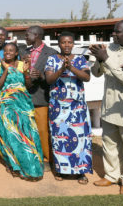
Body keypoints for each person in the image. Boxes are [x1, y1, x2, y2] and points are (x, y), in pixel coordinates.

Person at [90, 19, 123, 195]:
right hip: (108, 107)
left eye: (118, 32)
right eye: (114, 31)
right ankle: (111, 175)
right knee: (109, 144)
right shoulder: (111, 48)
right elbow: (96, 73)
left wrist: (106, 59)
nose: (113, 34)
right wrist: (99, 61)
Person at [45, 31, 92, 184]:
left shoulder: (80, 59)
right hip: (58, 107)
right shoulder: (52, 59)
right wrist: (61, 69)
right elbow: (49, 80)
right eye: (63, 42)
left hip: (76, 107)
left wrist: (71, 68)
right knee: (60, 139)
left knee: (80, 138)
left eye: (70, 42)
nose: (67, 45)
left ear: (73, 44)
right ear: (59, 44)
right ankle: (60, 169)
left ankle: (80, 171)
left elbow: (87, 77)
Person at [0, 43, 44, 180]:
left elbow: (28, 85)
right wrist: (5, 70)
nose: (7, 53)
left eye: (10, 51)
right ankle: (14, 166)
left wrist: (26, 72)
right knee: (11, 136)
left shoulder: (22, 65)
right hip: (6, 107)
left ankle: (31, 167)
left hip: (23, 106)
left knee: (27, 135)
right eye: (5, 51)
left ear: (16, 53)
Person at [24, 25, 57, 171]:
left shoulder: (51, 53)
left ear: (36, 35)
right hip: (24, 97)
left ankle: (47, 159)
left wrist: (42, 76)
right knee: (28, 130)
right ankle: (32, 157)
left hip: (41, 97)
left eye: (27, 35)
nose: (25, 37)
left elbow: (54, 78)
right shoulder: (24, 52)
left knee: (43, 130)